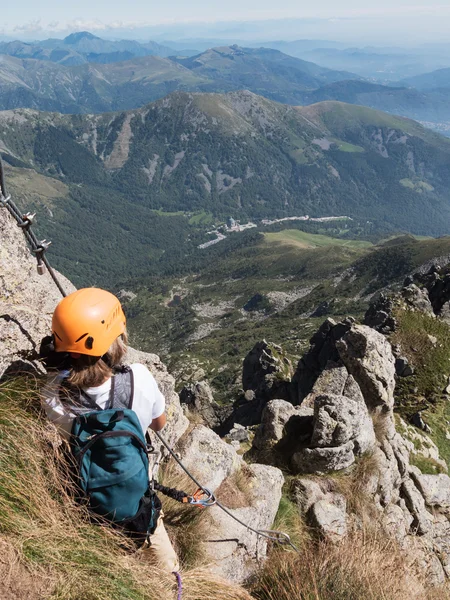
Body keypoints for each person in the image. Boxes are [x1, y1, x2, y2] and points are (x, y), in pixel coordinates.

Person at [40, 287, 179, 573]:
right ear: (115, 341)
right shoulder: (139, 378)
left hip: (93, 504)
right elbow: (159, 423)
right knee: (166, 568)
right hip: (140, 499)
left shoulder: (52, 395)